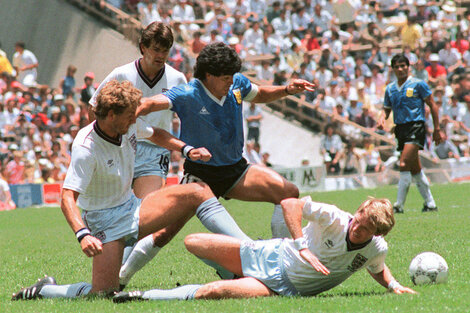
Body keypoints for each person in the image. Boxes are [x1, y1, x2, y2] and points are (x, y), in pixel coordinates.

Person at [10, 80, 223, 300]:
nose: (135, 119)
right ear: (111, 114)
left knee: (197, 191)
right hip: (104, 222)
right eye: (130, 115)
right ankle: (44, 290)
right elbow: (67, 197)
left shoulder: (128, 124)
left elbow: (156, 134)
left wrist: (187, 149)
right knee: (103, 293)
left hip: (132, 207)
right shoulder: (86, 147)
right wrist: (83, 235)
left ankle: (243, 256)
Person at [137, 41, 315, 237]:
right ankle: (123, 268)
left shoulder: (236, 83)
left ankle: (276, 255)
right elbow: (153, 102)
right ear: (208, 75)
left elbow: (259, 94)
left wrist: (287, 89)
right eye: (225, 78)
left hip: (235, 171)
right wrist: (137, 108)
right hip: (200, 175)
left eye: (232, 77)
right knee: (164, 233)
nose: (231, 82)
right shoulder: (188, 93)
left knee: (288, 192)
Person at [113, 196, 416, 302]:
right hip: (269, 253)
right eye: (359, 218)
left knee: (212, 292)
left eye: (365, 228)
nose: (357, 226)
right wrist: (302, 247)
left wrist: (392, 284)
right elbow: (290, 203)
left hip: (280, 288)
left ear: (377, 233)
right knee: (192, 241)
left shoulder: (377, 248)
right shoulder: (336, 217)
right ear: (359, 210)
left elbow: (376, 266)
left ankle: (141, 296)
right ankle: (234, 271)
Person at [88, 22, 189, 288]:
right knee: (118, 216)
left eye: (165, 50)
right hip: (120, 148)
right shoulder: (121, 74)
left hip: (155, 151)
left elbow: (187, 117)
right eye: (155, 49)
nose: (160, 55)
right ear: (143, 47)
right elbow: (94, 109)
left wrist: (186, 147)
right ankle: (110, 276)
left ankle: (118, 276)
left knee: (147, 215)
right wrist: (102, 144)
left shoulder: (178, 79)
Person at [378, 54, 442, 213]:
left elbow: (432, 105)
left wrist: (437, 129)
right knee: (415, 169)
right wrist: (382, 117)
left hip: (416, 127)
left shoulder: (418, 84)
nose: (400, 69)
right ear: (392, 69)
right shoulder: (390, 89)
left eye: (403, 66)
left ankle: (398, 205)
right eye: (397, 67)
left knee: (404, 164)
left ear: (408, 67)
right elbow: (386, 108)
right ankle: (430, 203)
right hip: (400, 129)